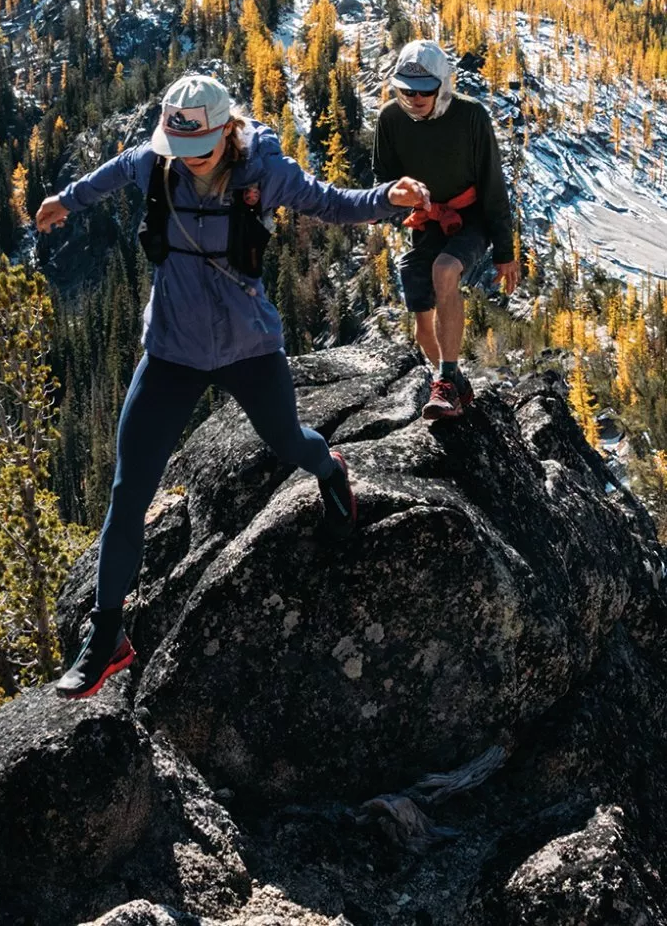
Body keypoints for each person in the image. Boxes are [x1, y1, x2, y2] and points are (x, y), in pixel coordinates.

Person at [36, 72, 425, 698]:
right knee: (129, 487)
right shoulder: (158, 164)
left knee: (288, 443)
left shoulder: (263, 171)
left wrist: (388, 198)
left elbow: (328, 202)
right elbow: (112, 172)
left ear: (227, 133)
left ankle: (330, 469)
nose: (185, 164)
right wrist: (65, 200)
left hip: (248, 345)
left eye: (199, 152)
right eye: (177, 152)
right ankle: (108, 635)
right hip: (171, 351)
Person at [372, 39, 519, 422]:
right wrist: (386, 201)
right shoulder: (390, 118)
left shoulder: (471, 117)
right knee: (423, 323)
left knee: (445, 270)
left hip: (473, 218)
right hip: (429, 219)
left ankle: (447, 383)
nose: (415, 97)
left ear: (443, 85)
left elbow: (493, 184)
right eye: (406, 89)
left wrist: (504, 251)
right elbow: (383, 179)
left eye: (424, 90)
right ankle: (454, 381)